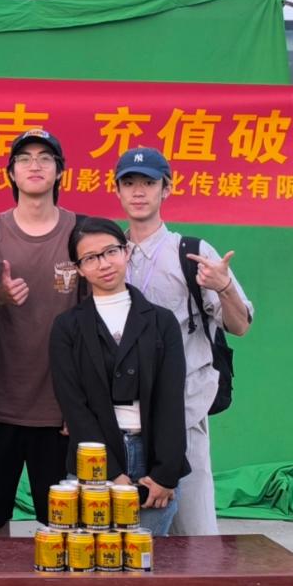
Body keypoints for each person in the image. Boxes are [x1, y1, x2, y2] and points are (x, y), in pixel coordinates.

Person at [115, 147, 253, 536]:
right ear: (117, 191)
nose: (138, 192)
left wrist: (224, 287)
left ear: (167, 189)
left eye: (148, 183)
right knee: (123, 537)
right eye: (129, 183)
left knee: (195, 535)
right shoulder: (109, 253)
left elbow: (240, 325)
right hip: (122, 415)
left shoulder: (191, 252)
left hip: (183, 411)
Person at [49, 216, 187, 535]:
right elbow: (73, 406)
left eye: (111, 251)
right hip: (93, 457)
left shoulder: (162, 322)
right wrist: (110, 472)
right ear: (79, 269)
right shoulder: (67, 327)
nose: (104, 264)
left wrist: (165, 474)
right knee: (91, 557)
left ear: (126, 252)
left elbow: (171, 400)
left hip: (152, 460)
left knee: (146, 556)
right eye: (90, 258)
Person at [0, 129, 80, 534]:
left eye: (45, 158)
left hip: (59, 412)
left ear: (60, 171)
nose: (35, 165)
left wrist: (80, 406)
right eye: (24, 159)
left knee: (63, 529)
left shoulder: (81, 234)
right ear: (11, 173)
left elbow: (94, 326)